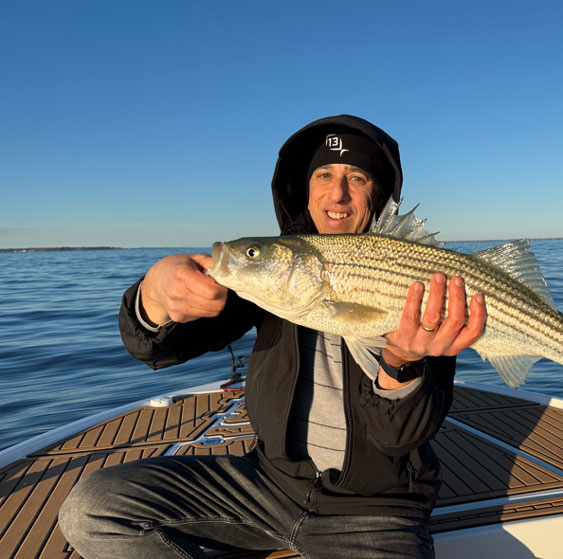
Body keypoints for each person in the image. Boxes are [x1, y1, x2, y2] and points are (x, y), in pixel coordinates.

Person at [58, 115, 486, 558]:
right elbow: (157, 347)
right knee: (92, 509)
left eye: (356, 177)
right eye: (323, 175)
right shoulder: (269, 280)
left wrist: (401, 362)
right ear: (304, 187)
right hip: (265, 486)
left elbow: (400, 440)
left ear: (378, 195)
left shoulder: (428, 289)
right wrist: (153, 295)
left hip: (377, 509)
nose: (336, 194)